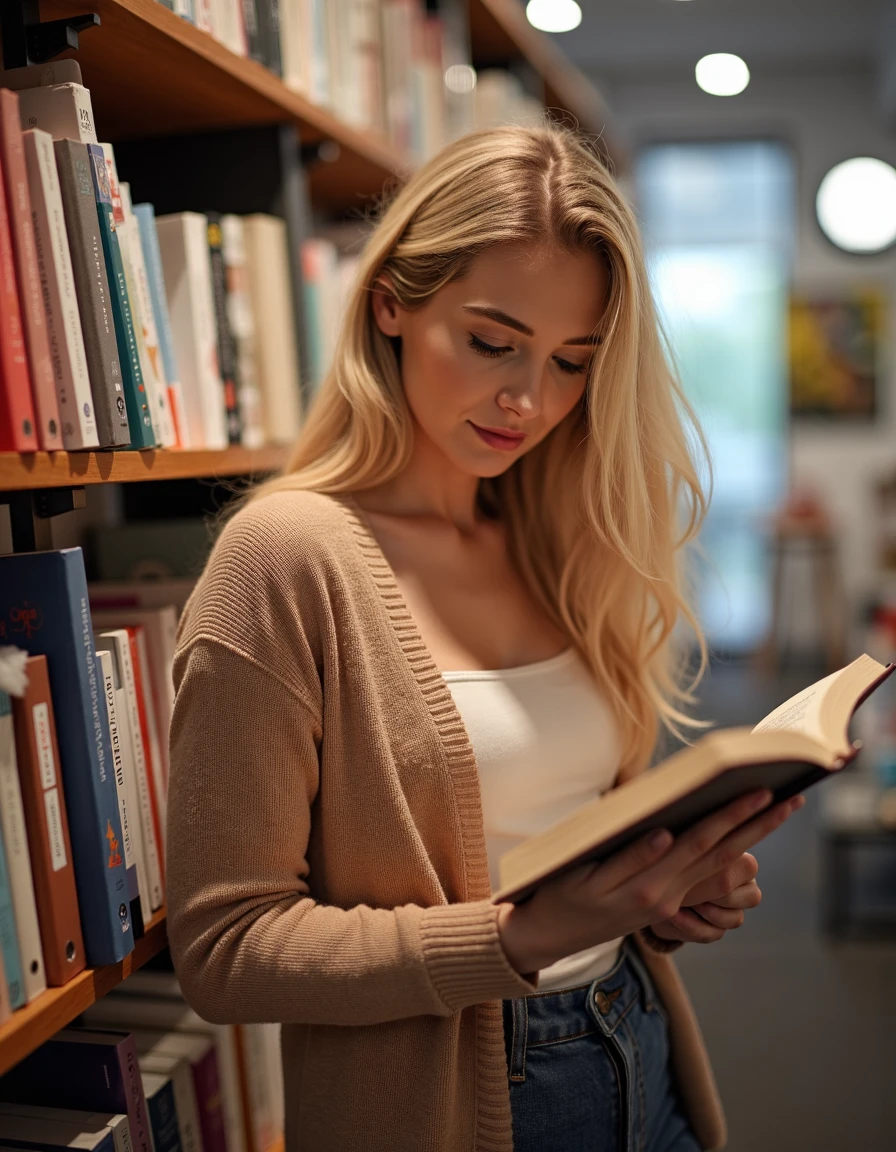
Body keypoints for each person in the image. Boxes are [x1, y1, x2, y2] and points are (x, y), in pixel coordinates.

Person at [165, 124, 804, 1152]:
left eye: (569, 363)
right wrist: (520, 937)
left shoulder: (550, 533)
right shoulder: (284, 557)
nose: (528, 400)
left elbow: (555, 832)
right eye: (491, 342)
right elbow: (226, 949)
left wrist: (655, 895)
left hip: (636, 1048)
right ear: (390, 304)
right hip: (458, 1095)